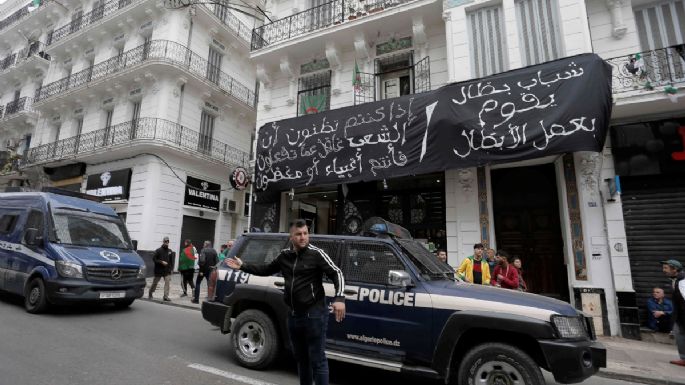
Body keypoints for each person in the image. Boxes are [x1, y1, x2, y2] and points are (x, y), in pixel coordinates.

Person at [227, 219, 345, 385]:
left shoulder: (316, 254)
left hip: (314, 315)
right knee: (301, 358)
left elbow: (336, 273)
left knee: (317, 360)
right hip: (293, 316)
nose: (303, 237)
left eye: (305, 233)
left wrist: (339, 298)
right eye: (298, 234)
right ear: (291, 237)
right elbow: (266, 269)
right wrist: (243, 266)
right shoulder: (285, 256)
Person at [661, 259, 685, 366]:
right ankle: (683, 358)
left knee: (680, 333)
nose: (663, 270)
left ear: (675, 269)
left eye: (666, 268)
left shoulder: (682, 281)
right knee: (679, 334)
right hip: (680, 315)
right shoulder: (675, 280)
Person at [149, 236, 173, 301]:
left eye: (168, 241)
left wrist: (171, 269)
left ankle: (165, 296)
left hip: (166, 270)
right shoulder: (158, 250)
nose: (166, 242)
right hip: (158, 270)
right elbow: (154, 259)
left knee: (167, 283)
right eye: (165, 241)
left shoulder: (170, 251)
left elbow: (171, 262)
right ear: (163, 242)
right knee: (155, 283)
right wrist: (161, 262)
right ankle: (150, 293)